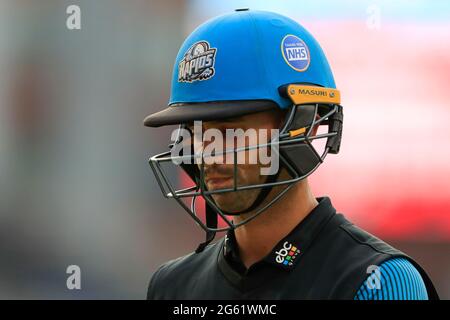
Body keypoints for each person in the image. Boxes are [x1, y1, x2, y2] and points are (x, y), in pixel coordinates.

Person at [143, 9, 439, 300]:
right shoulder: (171, 286)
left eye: (228, 130)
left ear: (302, 127)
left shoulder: (378, 280)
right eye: (197, 133)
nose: (208, 153)